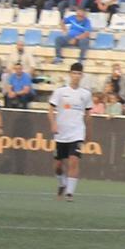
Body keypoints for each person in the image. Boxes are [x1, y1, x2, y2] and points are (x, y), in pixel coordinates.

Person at [47, 63, 93, 202]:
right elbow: (50, 109)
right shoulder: (60, 91)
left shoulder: (86, 94)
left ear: (82, 76)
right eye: (74, 73)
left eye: (79, 74)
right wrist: (53, 123)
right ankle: (62, 183)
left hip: (77, 133)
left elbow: (88, 113)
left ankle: (70, 193)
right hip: (61, 133)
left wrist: (88, 131)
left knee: (74, 161)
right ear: (70, 74)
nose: (76, 76)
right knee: (58, 165)